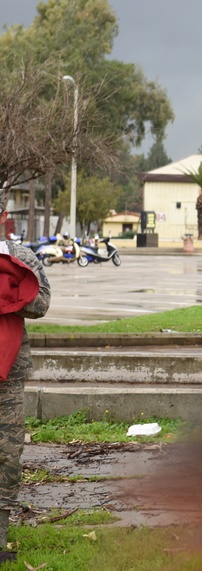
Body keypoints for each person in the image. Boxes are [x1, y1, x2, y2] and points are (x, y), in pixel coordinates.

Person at [0, 190, 50, 563]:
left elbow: (42, 302)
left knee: (6, 458)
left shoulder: (21, 257)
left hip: (8, 373)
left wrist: (11, 293)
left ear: (3, 214)